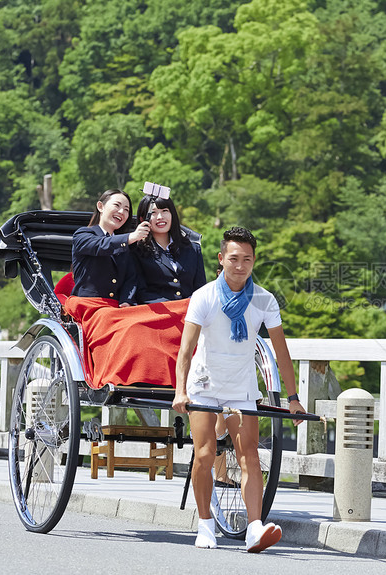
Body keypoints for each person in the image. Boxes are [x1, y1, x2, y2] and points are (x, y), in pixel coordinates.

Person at [172, 226, 306, 553]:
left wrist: (293, 399)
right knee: (204, 454)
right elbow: (186, 348)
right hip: (203, 385)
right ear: (221, 259)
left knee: (250, 456)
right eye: (233, 258)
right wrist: (180, 391)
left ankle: (254, 529)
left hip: (242, 387)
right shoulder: (204, 296)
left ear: (254, 261)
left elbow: (281, 354)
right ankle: (205, 525)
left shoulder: (264, 300)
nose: (240, 265)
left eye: (247, 259)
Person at [71, 189, 150, 307]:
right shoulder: (82, 235)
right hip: (87, 305)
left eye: (126, 210)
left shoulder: (126, 245)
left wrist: (126, 301)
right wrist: (130, 237)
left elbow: (130, 278)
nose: (121, 212)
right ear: (100, 206)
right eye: (117, 205)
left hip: (115, 308)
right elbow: (100, 245)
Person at [133, 191, 206, 304]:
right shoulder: (136, 251)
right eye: (153, 213)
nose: (160, 217)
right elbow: (141, 292)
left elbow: (200, 288)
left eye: (165, 211)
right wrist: (174, 307)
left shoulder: (193, 249)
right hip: (158, 313)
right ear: (143, 219)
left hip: (191, 312)